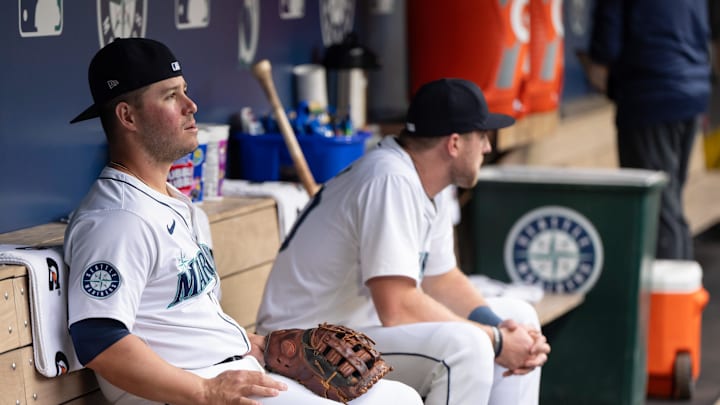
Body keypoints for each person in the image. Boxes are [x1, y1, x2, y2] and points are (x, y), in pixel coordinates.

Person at [64, 37, 422, 405]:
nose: (191, 105)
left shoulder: (172, 202)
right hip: (184, 391)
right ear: (128, 116)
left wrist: (258, 344)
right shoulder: (117, 218)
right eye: (171, 96)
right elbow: (98, 339)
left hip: (230, 371)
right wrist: (202, 391)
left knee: (397, 397)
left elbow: (183, 318)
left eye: (184, 91)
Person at [256, 78, 551, 405]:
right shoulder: (389, 179)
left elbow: (442, 279)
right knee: (468, 347)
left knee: (519, 317)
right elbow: (397, 307)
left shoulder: (427, 180)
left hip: (354, 332)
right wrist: (495, 342)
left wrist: (502, 329)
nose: (487, 147)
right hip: (304, 344)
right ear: (453, 144)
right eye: (481, 137)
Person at [586, 0, 712, 259]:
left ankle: (671, 296)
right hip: (691, 89)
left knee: (658, 211)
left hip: (651, 93)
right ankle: (679, 291)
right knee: (669, 201)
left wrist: (594, 60)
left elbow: (607, 41)